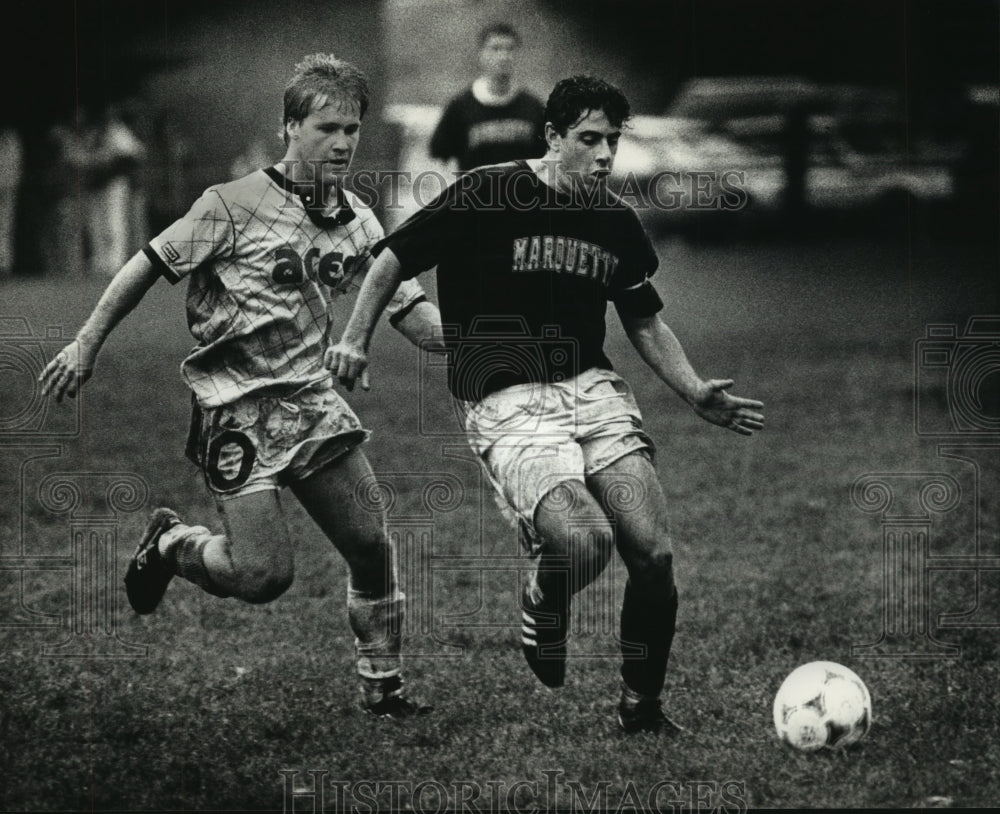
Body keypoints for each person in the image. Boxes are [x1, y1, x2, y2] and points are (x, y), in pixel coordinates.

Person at [329, 75, 765, 734]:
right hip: (507, 398)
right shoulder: (488, 193)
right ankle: (546, 593)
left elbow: (644, 321)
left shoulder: (611, 218)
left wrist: (695, 388)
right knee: (585, 541)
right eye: (588, 139)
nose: (603, 156)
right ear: (553, 135)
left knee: (654, 555)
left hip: (592, 390)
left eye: (611, 142)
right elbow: (392, 257)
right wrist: (355, 338)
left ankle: (641, 708)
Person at [39, 54, 442, 719]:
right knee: (262, 577)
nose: (343, 142)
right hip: (235, 406)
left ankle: (383, 687)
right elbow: (144, 266)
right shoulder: (231, 205)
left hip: (309, 403)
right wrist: (86, 341)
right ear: (290, 126)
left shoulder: (360, 220)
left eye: (353, 129)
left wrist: (492, 339)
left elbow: (415, 318)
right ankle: (173, 544)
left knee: (371, 543)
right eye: (327, 127)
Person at [429, 22, 545, 172]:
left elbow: (547, 162)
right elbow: (439, 157)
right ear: (481, 54)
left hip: (521, 194)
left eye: (509, 49)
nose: (503, 56)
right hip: (473, 194)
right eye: (495, 49)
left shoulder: (534, 107)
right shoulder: (460, 106)